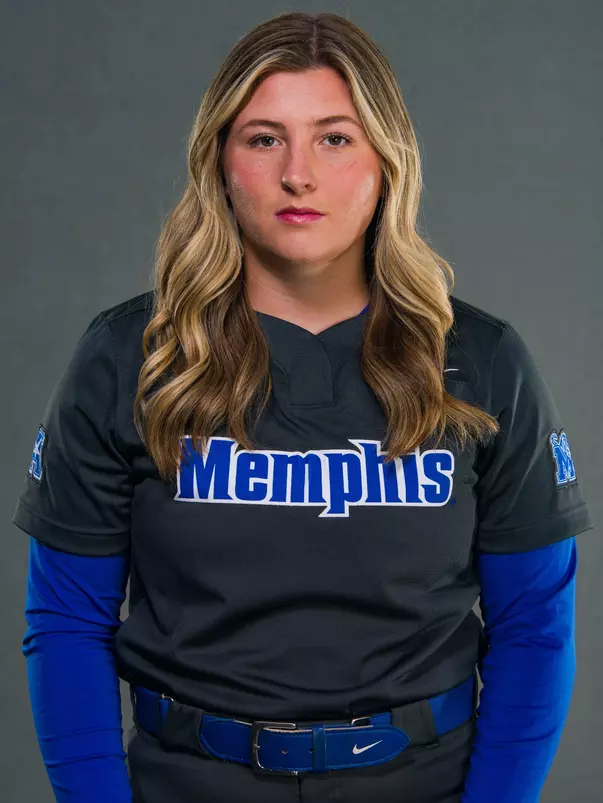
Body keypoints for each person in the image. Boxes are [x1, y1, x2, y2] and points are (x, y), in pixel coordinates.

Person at [13, 11, 594, 803]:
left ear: (386, 161)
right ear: (219, 160)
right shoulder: (129, 356)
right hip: (186, 782)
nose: (298, 174)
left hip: (421, 783)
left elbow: (535, 627)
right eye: (262, 138)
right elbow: (67, 620)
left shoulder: (483, 362)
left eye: (333, 137)